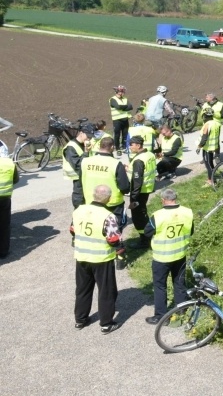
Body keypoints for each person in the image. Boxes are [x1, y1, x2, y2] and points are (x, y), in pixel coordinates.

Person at [71, 184, 123, 333]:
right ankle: (106, 323)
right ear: (108, 198)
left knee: (82, 289)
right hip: (101, 258)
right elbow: (113, 239)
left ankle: (80, 320)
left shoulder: (79, 210)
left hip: (82, 256)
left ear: (94, 195)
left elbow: (72, 230)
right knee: (106, 291)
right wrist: (120, 247)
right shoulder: (108, 216)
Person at [143, 188, 193, 325]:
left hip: (162, 257)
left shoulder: (158, 215)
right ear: (175, 198)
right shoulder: (187, 212)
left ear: (163, 200)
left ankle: (161, 317)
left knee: (160, 286)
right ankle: (182, 310)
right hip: (180, 254)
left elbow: (147, 232)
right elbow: (191, 230)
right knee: (180, 282)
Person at [80, 137, 130, 234]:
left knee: (96, 227)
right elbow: (124, 187)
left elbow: (80, 182)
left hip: (91, 200)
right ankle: (117, 247)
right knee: (114, 229)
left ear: (99, 146)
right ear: (112, 147)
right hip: (113, 203)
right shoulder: (116, 164)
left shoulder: (86, 161)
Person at [127, 136, 156, 249]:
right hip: (147, 189)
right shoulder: (149, 155)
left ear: (138, 146)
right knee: (143, 213)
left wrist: (133, 197)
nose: (130, 147)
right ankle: (149, 235)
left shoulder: (139, 160)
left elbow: (137, 180)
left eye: (131, 144)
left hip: (139, 192)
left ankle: (145, 240)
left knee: (138, 217)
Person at [63, 123, 94, 209]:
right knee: (79, 201)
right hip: (78, 178)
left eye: (91, 136)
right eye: (87, 135)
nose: (89, 138)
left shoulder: (85, 144)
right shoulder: (70, 147)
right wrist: (86, 152)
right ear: (81, 133)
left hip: (86, 177)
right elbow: (78, 166)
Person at [0, 146, 20, 259]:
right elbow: (16, 180)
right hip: (5, 198)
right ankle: (3, 251)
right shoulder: (9, 163)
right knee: (4, 225)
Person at [197, 108, 221, 187]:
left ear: (204, 116)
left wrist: (199, 147)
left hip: (207, 148)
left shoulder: (207, 125)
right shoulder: (217, 123)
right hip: (215, 146)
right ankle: (211, 178)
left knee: (208, 164)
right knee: (210, 163)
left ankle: (211, 181)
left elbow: (204, 138)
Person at [109, 85, 133, 157]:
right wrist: (125, 107)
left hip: (125, 119)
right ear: (117, 92)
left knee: (125, 134)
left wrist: (122, 107)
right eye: (121, 92)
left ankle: (124, 146)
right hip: (117, 120)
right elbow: (118, 107)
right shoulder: (112, 99)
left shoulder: (125, 99)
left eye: (123, 92)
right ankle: (117, 147)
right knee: (117, 134)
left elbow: (131, 106)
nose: (122, 93)